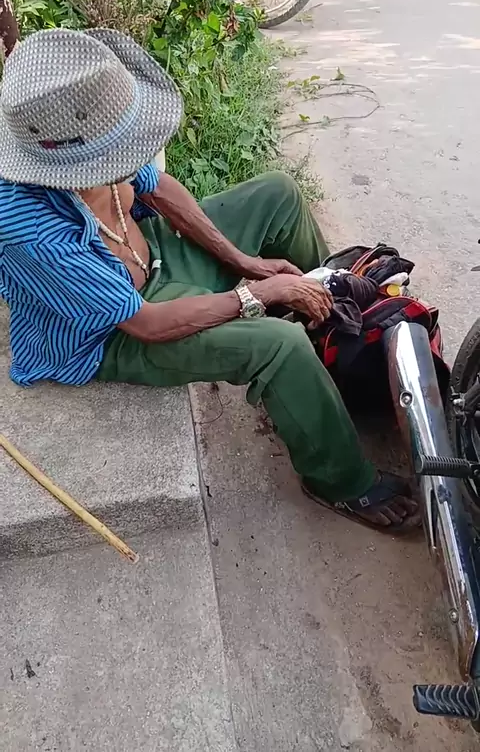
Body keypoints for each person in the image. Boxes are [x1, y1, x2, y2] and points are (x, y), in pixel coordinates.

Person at [0, 28, 419, 533]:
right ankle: (340, 481)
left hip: (154, 254)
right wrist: (257, 293)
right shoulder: (31, 231)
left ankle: (331, 333)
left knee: (278, 193)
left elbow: (156, 188)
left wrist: (243, 260)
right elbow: (147, 324)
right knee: (278, 346)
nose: (133, 156)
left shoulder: (94, 142)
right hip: (111, 333)